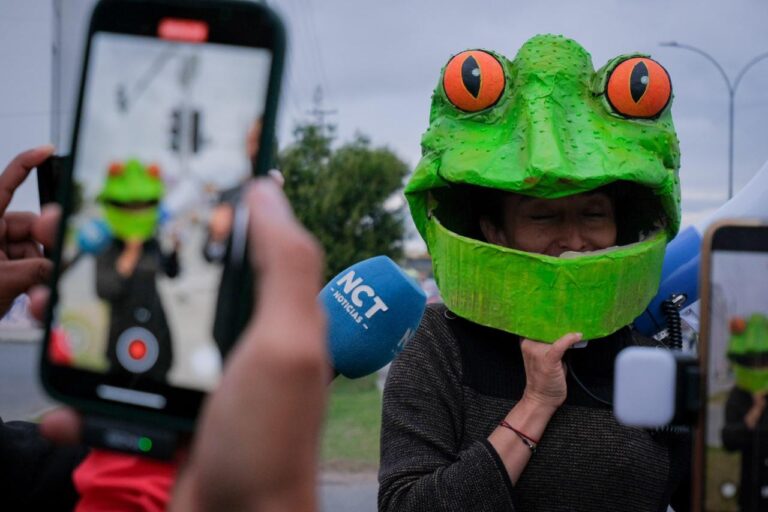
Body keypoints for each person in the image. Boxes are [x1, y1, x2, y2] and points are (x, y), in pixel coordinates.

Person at [378, 35, 690, 511]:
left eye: (593, 215)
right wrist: (535, 403)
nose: (573, 239)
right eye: (542, 218)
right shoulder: (439, 345)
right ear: (494, 231)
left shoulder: (647, 356)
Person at [0, 145, 329, 511]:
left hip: (160, 337)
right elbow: (107, 288)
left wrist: (172, 247)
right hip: (118, 343)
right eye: (129, 206)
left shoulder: (44, 464)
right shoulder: (107, 250)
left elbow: (170, 272)